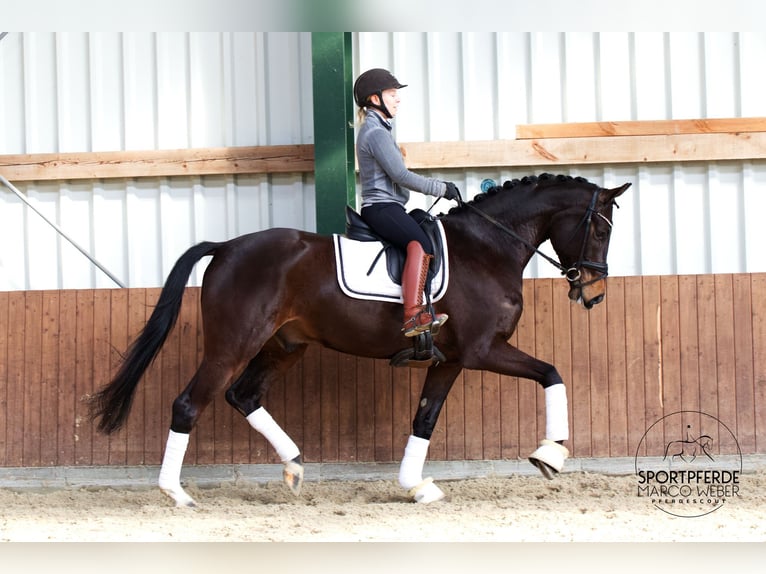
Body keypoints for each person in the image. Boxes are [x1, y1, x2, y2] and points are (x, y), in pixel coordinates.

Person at [353, 68, 461, 337]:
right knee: (420, 244)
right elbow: (400, 175)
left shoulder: (379, 129)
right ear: (375, 99)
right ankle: (413, 315)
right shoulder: (376, 134)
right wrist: (442, 188)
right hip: (381, 208)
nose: (397, 99)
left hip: (390, 206)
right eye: (392, 94)